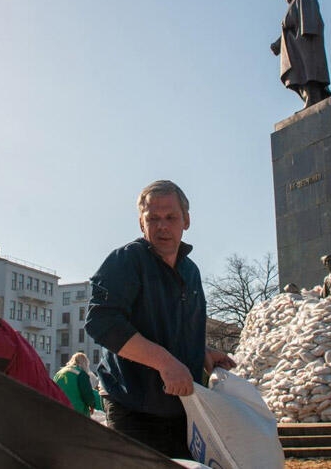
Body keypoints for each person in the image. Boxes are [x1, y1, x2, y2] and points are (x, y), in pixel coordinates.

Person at [85, 180, 236, 459]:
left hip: (183, 408)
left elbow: (175, 330)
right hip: (133, 407)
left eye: (170, 217)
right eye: (153, 218)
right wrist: (165, 362)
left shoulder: (191, 272)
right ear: (141, 224)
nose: (162, 226)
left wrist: (201, 353)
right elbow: (101, 322)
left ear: (186, 221)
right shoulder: (126, 261)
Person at [270, 0, 331, 111]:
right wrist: (277, 44)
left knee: (308, 74)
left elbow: (304, 22)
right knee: (301, 76)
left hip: (304, 44)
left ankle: (314, 99)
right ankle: (319, 99)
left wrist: (307, 39)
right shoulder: (297, 2)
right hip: (295, 47)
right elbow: (289, 28)